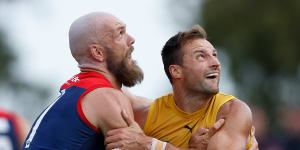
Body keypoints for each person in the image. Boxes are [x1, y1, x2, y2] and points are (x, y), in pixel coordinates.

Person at [106, 25, 258, 150]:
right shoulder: (145, 117)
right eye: (201, 56)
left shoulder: (232, 111)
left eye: (214, 55)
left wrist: (150, 145)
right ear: (176, 71)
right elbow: (105, 86)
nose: (215, 63)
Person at [21, 12, 144, 149]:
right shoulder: (106, 97)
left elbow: (152, 107)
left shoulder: (81, 90)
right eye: (120, 33)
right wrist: (148, 144)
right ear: (97, 53)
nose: (131, 39)